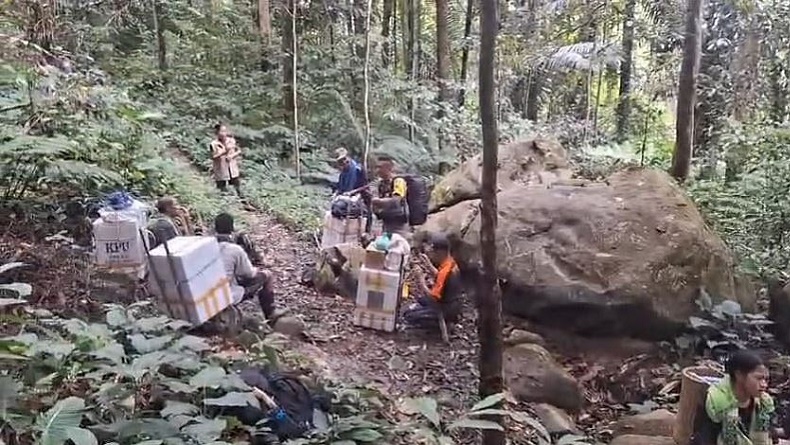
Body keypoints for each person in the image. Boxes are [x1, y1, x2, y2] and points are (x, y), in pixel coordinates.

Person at [692, 350, 777, 445]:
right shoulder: (717, 403)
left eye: (766, 379)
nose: (764, 385)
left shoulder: (764, 404)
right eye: (759, 378)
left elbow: (769, 434)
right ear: (739, 375)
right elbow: (706, 438)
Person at [215, 213, 284, 322]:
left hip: (207, 295)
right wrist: (257, 269)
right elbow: (249, 274)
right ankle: (271, 313)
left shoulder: (207, 248)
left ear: (215, 228)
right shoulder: (235, 249)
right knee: (268, 275)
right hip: (228, 295)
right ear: (232, 228)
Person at [402, 233, 463, 330]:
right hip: (451, 302)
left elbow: (433, 298)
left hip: (444, 308)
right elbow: (441, 278)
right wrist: (427, 264)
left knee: (409, 315)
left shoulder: (445, 272)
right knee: (421, 300)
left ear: (440, 252)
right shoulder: (450, 262)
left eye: (432, 252)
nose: (430, 254)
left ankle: (444, 324)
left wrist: (421, 281)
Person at [333, 147, 371, 232]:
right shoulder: (343, 173)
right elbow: (340, 187)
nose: (344, 162)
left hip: (361, 198)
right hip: (347, 198)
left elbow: (366, 186)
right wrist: (337, 193)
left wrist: (353, 192)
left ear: (348, 157)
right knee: (336, 209)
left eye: (344, 159)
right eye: (341, 161)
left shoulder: (358, 169)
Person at [371, 154, 410, 237]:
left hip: (398, 221)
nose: (377, 170)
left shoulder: (398, 181)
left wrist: (378, 201)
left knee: (398, 241)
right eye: (376, 167)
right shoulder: (381, 183)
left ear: (388, 168)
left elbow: (396, 200)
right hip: (386, 218)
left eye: (380, 167)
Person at [210, 123, 243, 196]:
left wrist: (232, 155)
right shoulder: (214, 144)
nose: (224, 133)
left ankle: (242, 199)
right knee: (222, 189)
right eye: (222, 131)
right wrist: (224, 152)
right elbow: (213, 156)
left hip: (232, 168)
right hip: (221, 169)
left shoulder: (231, 141)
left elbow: (239, 150)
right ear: (217, 133)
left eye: (225, 131)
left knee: (237, 187)